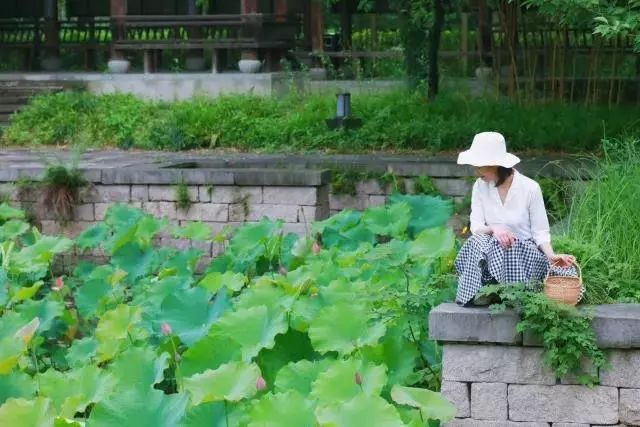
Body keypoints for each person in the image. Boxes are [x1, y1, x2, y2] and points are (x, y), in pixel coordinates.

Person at [454, 131, 579, 306]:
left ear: (495, 164)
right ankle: (486, 289)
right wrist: (495, 229)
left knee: (508, 244)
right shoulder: (480, 186)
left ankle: (512, 292)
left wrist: (551, 255)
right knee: (479, 240)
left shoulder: (530, 188)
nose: (476, 171)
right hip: (491, 251)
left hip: (522, 255)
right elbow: (475, 226)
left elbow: (540, 232)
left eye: (480, 165)